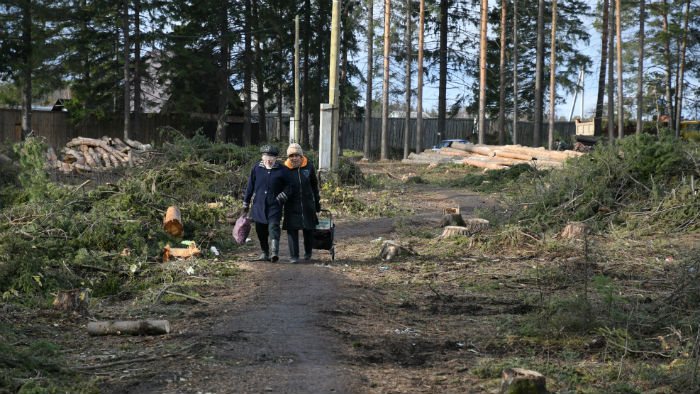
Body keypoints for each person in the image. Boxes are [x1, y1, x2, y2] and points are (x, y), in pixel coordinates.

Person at [242, 144, 293, 262]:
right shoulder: (256, 168)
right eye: (265, 158)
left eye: (271, 158)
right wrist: (245, 202)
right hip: (258, 205)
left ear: (276, 158)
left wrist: (283, 196)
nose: (268, 161)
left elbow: (290, 186)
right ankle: (265, 253)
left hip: (275, 204)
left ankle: (274, 253)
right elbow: (250, 186)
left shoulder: (283, 170)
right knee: (260, 229)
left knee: (274, 226)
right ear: (262, 158)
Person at [282, 143, 321, 263]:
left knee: (308, 229)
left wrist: (317, 202)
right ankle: (294, 256)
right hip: (291, 204)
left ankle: (308, 253)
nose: (294, 158)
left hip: (307, 203)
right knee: (292, 230)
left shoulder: (309, 167)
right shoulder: (284, 169)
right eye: (291, 156)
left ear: (301, 155)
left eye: (296, 155)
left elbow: (314, 186)